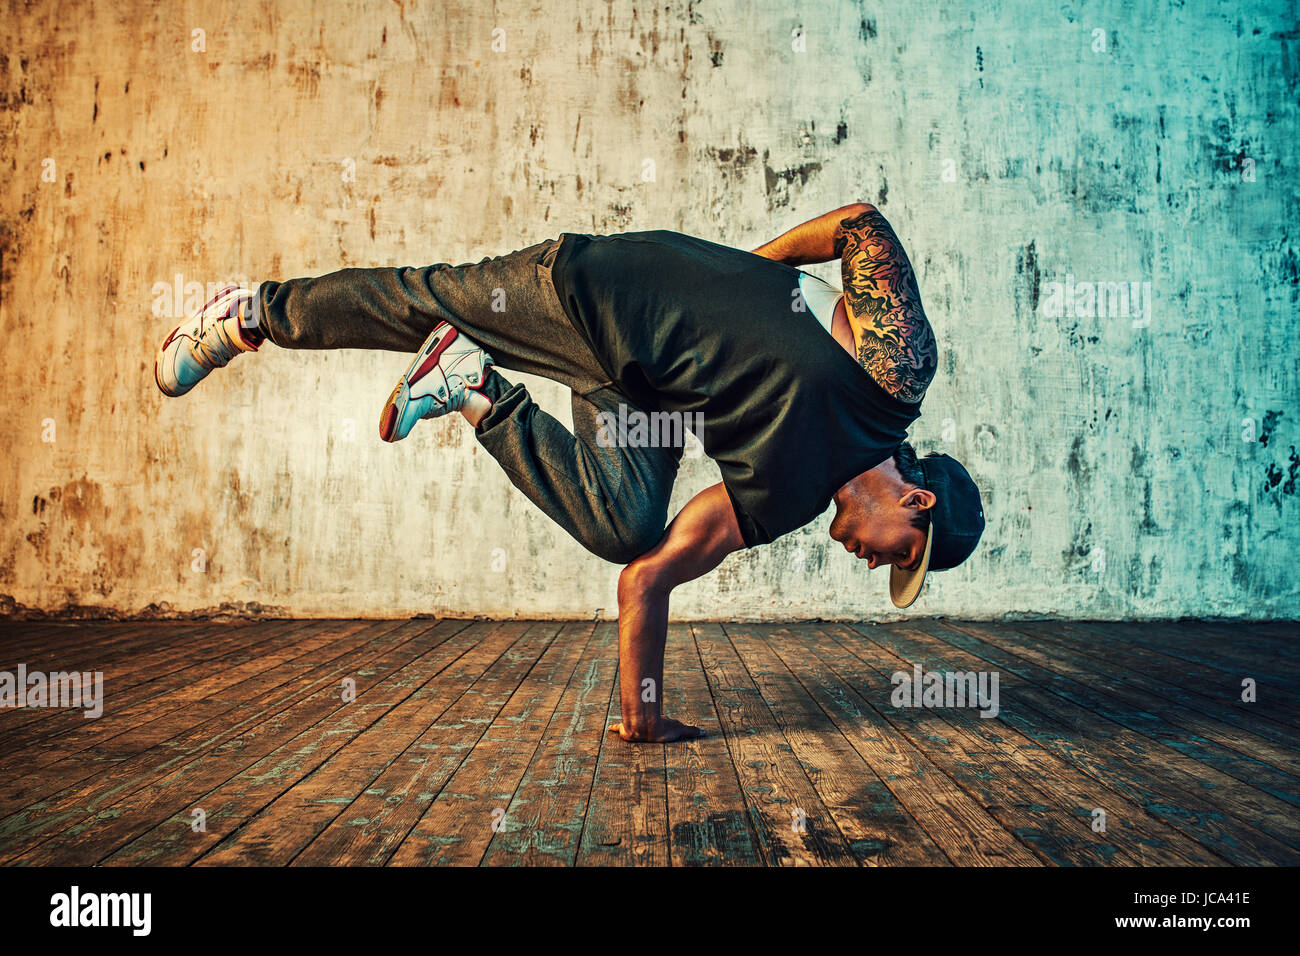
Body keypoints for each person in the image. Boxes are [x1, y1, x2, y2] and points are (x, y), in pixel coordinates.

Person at [154, 201, 985, 743]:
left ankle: (472, 388)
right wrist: (741, 272)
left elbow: (646, 579)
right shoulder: (894, 377)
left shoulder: (784, 501)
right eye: (901, 553)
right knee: (418, 298)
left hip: (628, 388)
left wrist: (645, 721)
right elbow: (860, 230)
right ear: (915, 500)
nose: (878, 564)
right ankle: (250, 313)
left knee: (623, 524)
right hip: (597, 292)